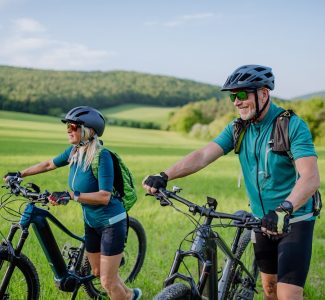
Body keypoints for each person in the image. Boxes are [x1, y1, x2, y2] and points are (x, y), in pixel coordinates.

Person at [143, 65, 320, 300]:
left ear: (264, 94)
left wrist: (284, 209)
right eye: (232, 97)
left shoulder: (291, 126)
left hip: (294, 218)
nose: (236, 102)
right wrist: (165, 175)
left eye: (241, 95)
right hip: (260, 219)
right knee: (269, 289)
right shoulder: (238, 128)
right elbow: (204, 155)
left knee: (288, 295)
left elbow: (310, 178)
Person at [4, 106, 142, 300]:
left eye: (73, 126)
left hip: (111, 222)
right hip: (91, 221)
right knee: (96, 271)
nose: (69, 130)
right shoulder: (74, 152)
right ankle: (130, 295)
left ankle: (124, 295)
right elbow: (48, 164)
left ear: (89, 130)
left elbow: (104, 196)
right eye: (67, 126)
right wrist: (20, 174)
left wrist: (71, 195)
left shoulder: (102, 156)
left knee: (107, 282)